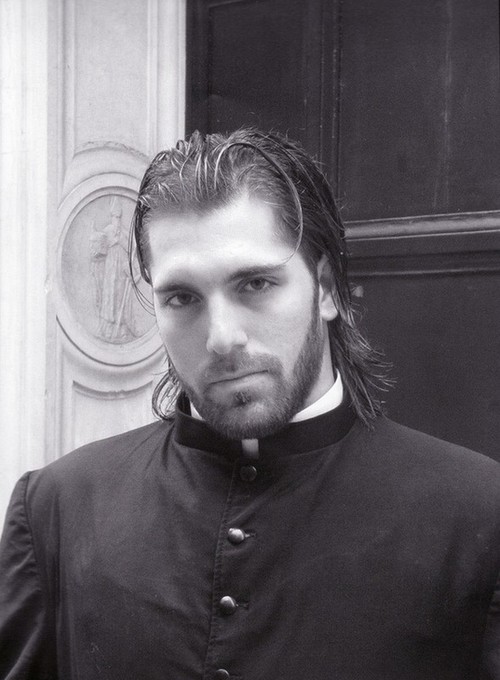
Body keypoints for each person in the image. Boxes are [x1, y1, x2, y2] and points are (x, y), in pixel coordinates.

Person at [0, 129, 499, 680]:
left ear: (326, 289)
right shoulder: (56, 507)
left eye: (255, 284)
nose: (221, 338)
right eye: (182, 297)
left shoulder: (477, 515)